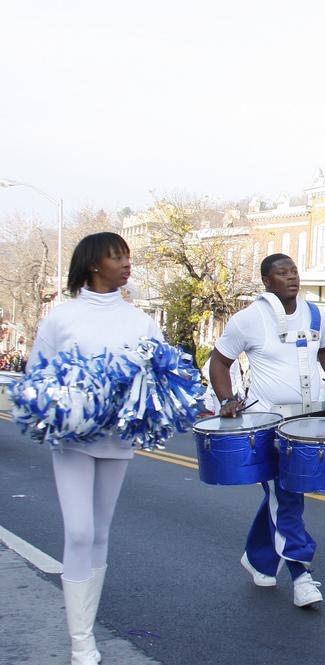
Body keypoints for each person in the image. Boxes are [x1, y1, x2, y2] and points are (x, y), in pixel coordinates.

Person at [27, 232, 162, 665]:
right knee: (80, 531)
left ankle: (85, 630)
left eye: (127, 257)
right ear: (92, 264)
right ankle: (80, 641)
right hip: (72, 438)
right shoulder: (61, 318)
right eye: (116, 257)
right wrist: (67, 402)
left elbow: (159, 376)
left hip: (117, 437)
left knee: (100, 531)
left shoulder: (140, 320)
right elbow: (37, 375)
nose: (126, 265)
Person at [208, 253, 325, 608]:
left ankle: (258, 557)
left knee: (286, 493)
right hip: (268, 425)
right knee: (287, 496)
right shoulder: (248, 320)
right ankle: (301, 574)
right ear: (267, 281)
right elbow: (220, 362)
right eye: (281, 273)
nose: (291, 277)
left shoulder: (317, 314)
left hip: (310, 422)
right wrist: (226, 399)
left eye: (294, 271)